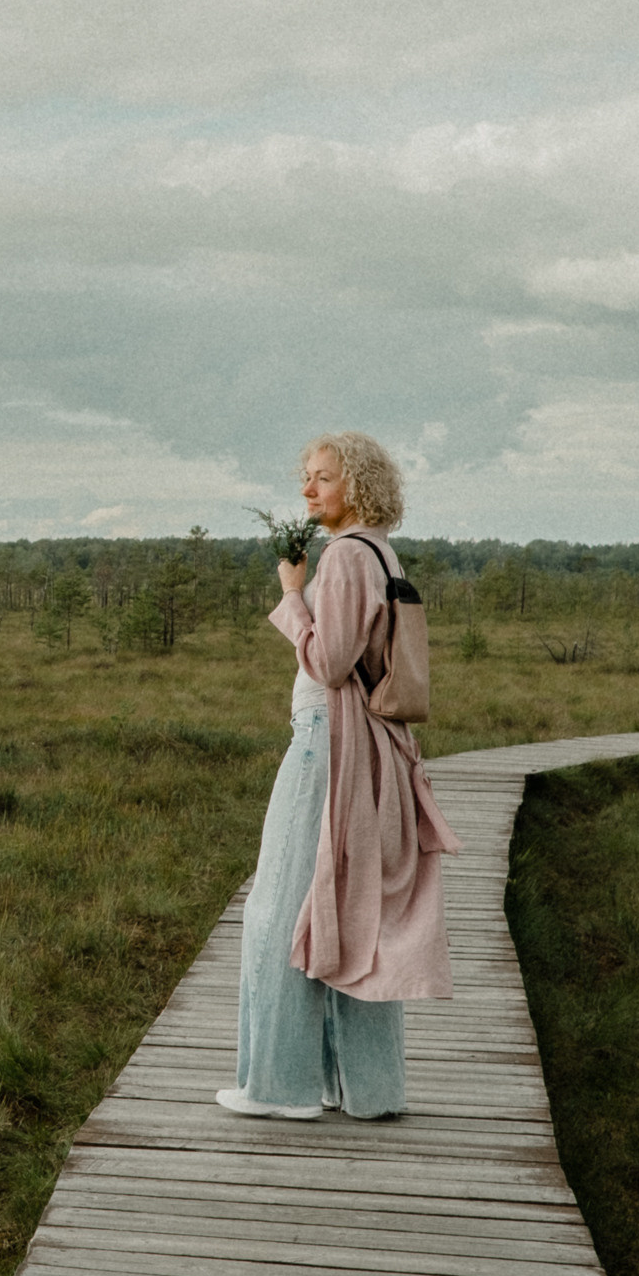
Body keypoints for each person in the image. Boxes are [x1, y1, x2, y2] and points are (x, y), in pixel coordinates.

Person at [218, 432, 458, 1121]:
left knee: (277, 909)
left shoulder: (348, 556)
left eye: (322, 477)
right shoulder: (381, 550)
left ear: (355, 485)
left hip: (329, 743)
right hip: (362, 746)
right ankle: (365, 1089)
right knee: (354, 916)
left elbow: (328, 663)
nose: (308, 489)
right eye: (307, 476)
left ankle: (279, 1086)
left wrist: (292, 596)